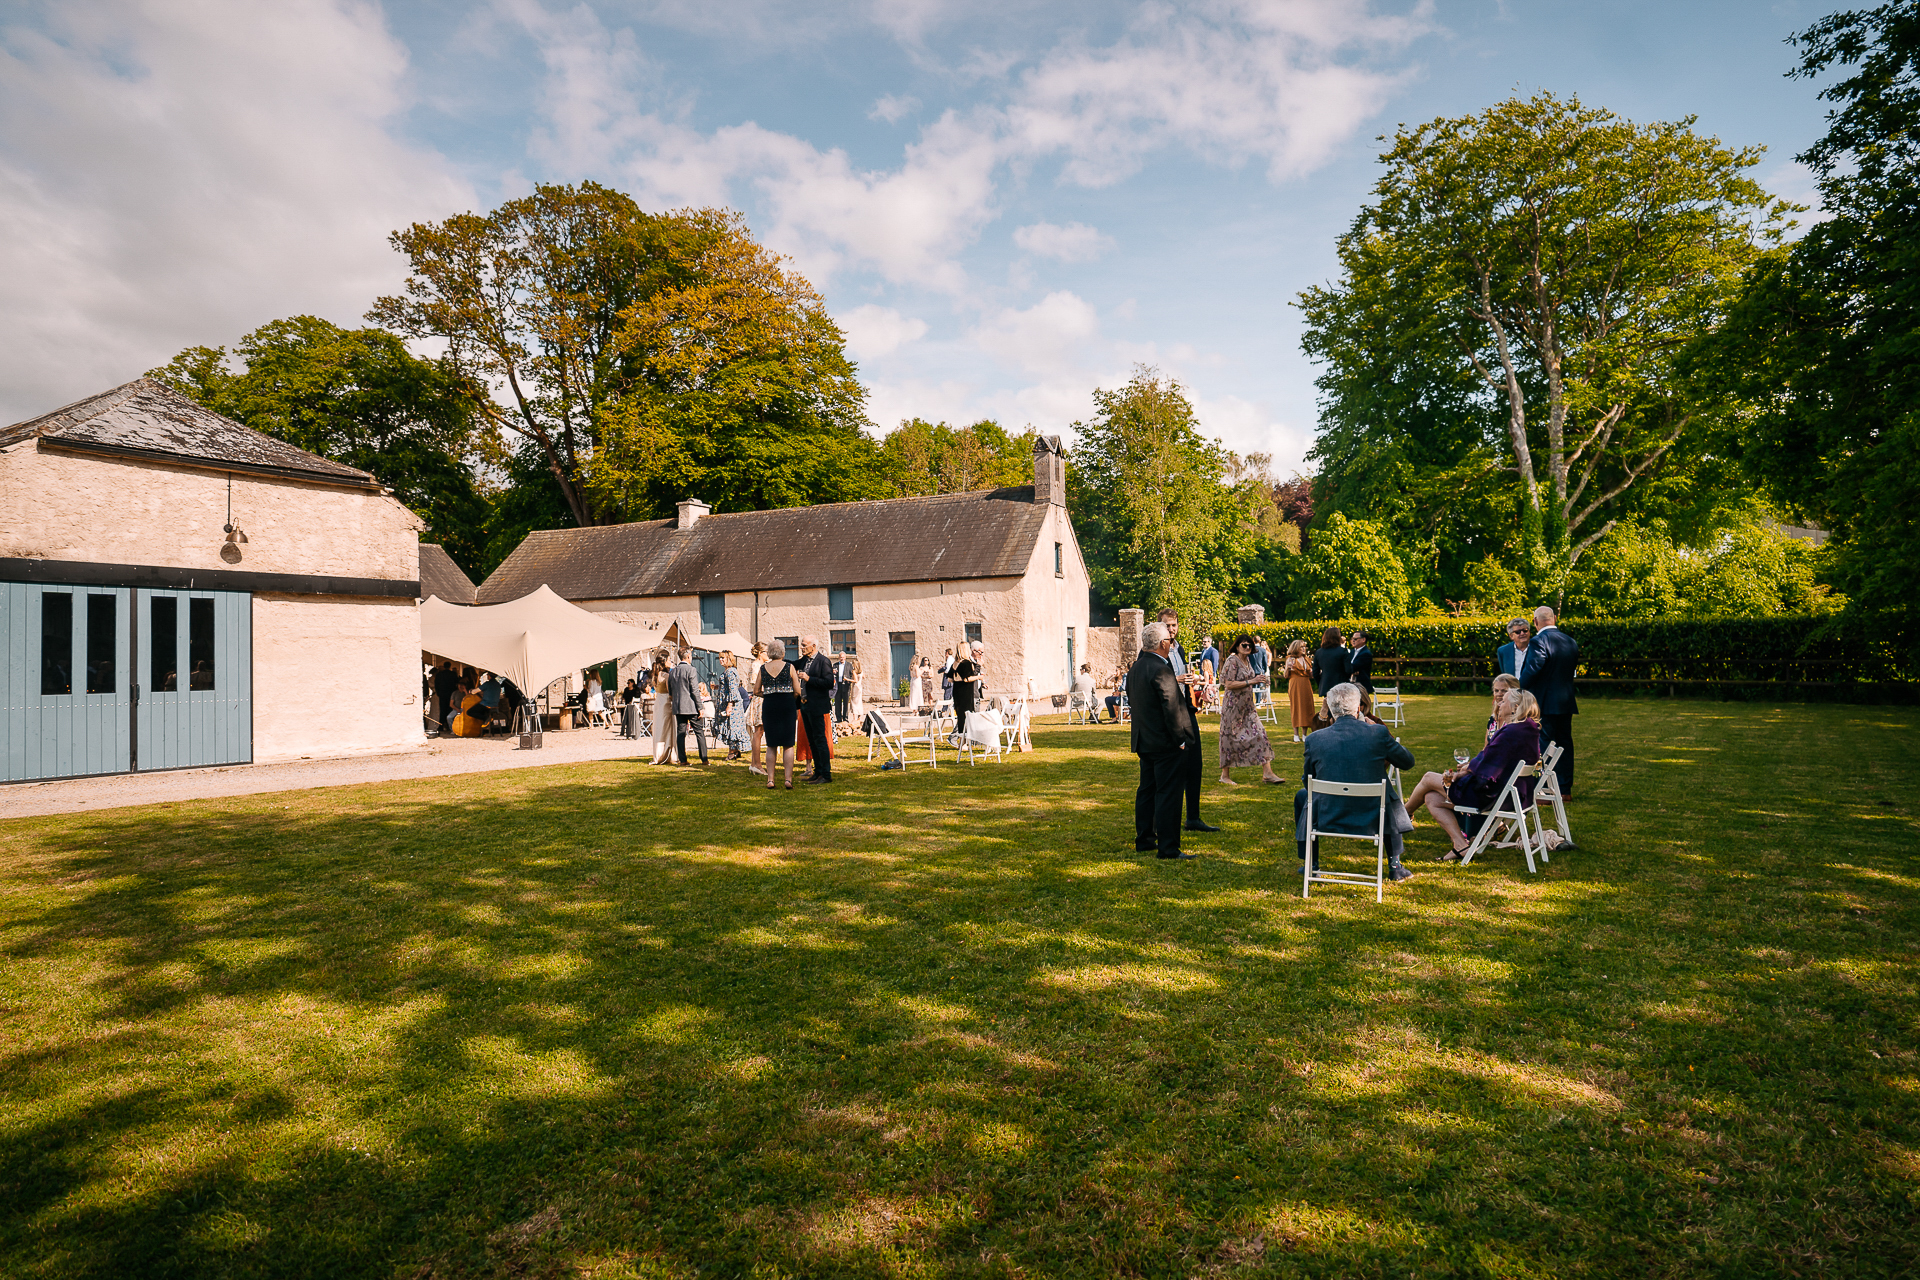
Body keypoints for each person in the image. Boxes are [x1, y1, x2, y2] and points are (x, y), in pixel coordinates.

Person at [1295, 682, 1417, 882]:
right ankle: (1395, 865)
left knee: (1303, 797)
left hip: (1328, 814)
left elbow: (1308, 780)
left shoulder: (1314, 739)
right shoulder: (1377, 732)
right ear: (1358, 708)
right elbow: (1408, 762)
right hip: (1372, 814)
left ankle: (1311, 863)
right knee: (1387, 793)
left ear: (1332, 710)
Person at [1402, 689, 1543, 861]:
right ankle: (1460, 845)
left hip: (1491, 795)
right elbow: (1488, 760)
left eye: (1503, 701)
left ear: (1515, 708)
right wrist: (1466, 770)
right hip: (1514, 793)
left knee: (1428, 777)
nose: (1499, 703)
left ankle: (1403, 815)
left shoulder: (1510, 733)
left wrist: (1463, 774)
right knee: (1431, 798)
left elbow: (1487, 769)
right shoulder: (1528, 729)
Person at [1128, 622, 1200, 860]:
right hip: (1165, 742)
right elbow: (1171, 706)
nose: (1170, 645)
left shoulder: (1136, 668)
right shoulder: (1162, 668)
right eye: (1168, 641)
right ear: (1162, 644)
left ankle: (1145, 839)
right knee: (1168, 793)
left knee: (1147, 790)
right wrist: (1180, 739)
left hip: (1144, 739)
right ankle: (1168, 847)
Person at [1156, 607, 1219, 833]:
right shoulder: (1155, 650)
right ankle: (1163, 822)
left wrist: (1190, 680)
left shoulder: (1178, 649)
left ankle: (1193, 817)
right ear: (1160, 626)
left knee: (1195, 764)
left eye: (1174, 625)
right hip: (1169, 715)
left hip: (1187, 710)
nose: (1171, 630)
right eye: (1167, 625)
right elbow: (1155, 679)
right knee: (1173, 768)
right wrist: (1177, 679)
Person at [1520, 606, 1579, 798]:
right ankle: (1564, 789)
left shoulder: (1538, 642)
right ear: (1554, 618)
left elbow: (1533, 669)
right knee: (1564, 745)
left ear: (1535, 622)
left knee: (1543, 746)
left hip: (1544, 702)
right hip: (1565, 701)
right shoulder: (1570, 641)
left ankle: (1544, 789)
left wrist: (1517, 689)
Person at [1216, 634, 1282, 785]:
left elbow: (1251, 679)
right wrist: (1251, 681)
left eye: (1249, 646)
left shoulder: (1248, 661)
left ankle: (1268, 773)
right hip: (1232, 707)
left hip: (1248, 708)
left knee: (1260, 734)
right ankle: (1224, 775)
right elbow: (1228, 684)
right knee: (1229, 738)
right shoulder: (1232, 661)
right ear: (1237, 646)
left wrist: (1260, 679)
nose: (1247, 648)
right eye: (1244, 645)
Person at [754, 645, 798, 789]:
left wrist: (767, 694)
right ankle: (788, 779)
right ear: (782, 652)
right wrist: (791, 696)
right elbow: (797, 690)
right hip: (787, 704)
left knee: (771, 744)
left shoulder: (763, 668)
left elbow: (756, 690)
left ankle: (771, 779)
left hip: (770, 705)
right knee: (788, 743)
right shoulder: (789, 667)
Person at [796, 635, 835, 783]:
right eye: (801, 645)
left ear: (813, 646)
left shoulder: (823, 661)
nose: (802, 647)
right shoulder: (806, 661)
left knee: (820, 740)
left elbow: (829, 682)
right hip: (805, 705)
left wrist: (808, 679)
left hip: (817, 706)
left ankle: (826, 774)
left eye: (804, 645)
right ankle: (817, 772)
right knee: (812, 740)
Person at [668, 648, 708, 766]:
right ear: (688, 656)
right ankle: (704, 759)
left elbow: (670, 691)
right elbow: (695, 690)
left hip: (679, 706)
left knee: (681, 733)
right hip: (691, 706)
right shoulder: (691, 670)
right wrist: (700, 707)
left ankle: (683, 760)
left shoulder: (673, 672)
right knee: (699, 732)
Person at [715, 650, 750, 760]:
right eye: (720, 658)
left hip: (732, 704)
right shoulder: (729, 671)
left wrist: (729, 705)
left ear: (729, 659)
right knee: (731, 727)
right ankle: (735, 751)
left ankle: (732, 752)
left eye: (723, 658)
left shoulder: (730, 672)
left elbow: (733, 690)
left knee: (732, 727)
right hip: (731, 703)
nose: (721, 660)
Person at [1284, 639, 1315, 742]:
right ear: (1296, 648)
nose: (1303, 649)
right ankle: (1296, 733)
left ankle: (1304, 734)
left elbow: (1311, 676)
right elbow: (1285, 676)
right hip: (1295, 683)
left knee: (1307, 706)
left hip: (1306, 683)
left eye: (1304, 647)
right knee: (1296, 706)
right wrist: (1288, 668)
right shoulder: (1290, 659)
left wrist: (1312, 672)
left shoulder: (1306, 659)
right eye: (1301, 647)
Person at [647, 650, 673, 765]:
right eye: (669, 659)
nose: (670, 661)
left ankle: (658, 754)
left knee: (659, 728)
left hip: (658, 702)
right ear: (664, 662)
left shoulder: (655, 675)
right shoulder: (667, 675)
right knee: (667, 728)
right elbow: (670, 691)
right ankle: (666, 754)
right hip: (666, 702)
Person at [952, 643, 982, 737]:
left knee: (962, 718)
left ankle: (963, 742)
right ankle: (962, 741)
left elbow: (950, 678)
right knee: (966, 718)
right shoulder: (966, 663)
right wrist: (979, 676)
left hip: (958, 691)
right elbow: (968, 678)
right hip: (965, 692)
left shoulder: (956, 663)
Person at [1311, 627, 1347, 705]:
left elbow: (1315, 672)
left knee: (1329, 709)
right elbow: (1348, 670)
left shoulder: (1319, 652)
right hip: (1341, 684)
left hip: (1326, 684)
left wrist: (1321, 683)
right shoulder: (1342, 651)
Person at [1485, 673, 1520, 743]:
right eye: (1496, 691)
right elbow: (1485, 749)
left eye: (1504, 691)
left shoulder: (1519, 720)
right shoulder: (1493, 720)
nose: (1499, 694)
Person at [1346, 630, 1375, 710]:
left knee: (1360, 709)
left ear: (1363, 640)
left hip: (1361, 686)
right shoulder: (1352, 652)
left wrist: (1351, 669)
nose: (1353, 640)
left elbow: (1353, 667)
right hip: (1351, 684)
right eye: (1352, 638)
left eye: (1356, 639)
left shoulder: (1365, 653)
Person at [833, 651, 854, 722]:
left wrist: (849, 681)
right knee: (837, 702)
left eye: (843, 657)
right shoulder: (835, 665)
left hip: (846, 686)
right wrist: (832, 672)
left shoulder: (849, 665)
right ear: (839, 658)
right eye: (840, 657)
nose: (842, 659)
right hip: (837, 686)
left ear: (845, 657)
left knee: (845, 703)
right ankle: (838, 718)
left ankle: (845, 718)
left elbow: (852, 675)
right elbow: (831, 675)